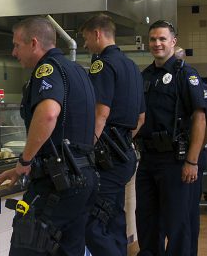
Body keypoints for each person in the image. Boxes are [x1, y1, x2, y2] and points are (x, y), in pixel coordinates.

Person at [0, 16, 98, 255]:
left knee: (28, 246)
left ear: (34, 43)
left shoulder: (47, 70)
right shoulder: (78, 70)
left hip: (56, 183)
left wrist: (24, 162)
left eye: (17, 45)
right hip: (83, 177)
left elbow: (49, 114)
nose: (14, 52)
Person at [135, 20, 207, 256]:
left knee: (178, 226)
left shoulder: (185, 74)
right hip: (147, 160)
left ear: (173, 42)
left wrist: (192, 161)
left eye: (162, 39)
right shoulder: (145, 76)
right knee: (147, 221)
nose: (157, 43)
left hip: (176, 162)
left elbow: (200, 117)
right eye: (153, 39)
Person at [81, 14, 145, 256]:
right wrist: (122, 141)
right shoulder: (132, 67)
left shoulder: (102, 64)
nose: (86, 44)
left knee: (95, 222)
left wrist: (87, 151)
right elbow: (141, 119)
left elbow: (100, 113)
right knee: (114, 216)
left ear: (97, 34)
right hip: (124, 154)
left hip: (105, 155)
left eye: (87, 38)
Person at [174, 46, 207, 256]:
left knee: (187, 213)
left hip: (190, 158)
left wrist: (195, 152)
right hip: (172, 158)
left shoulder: (193, 83)